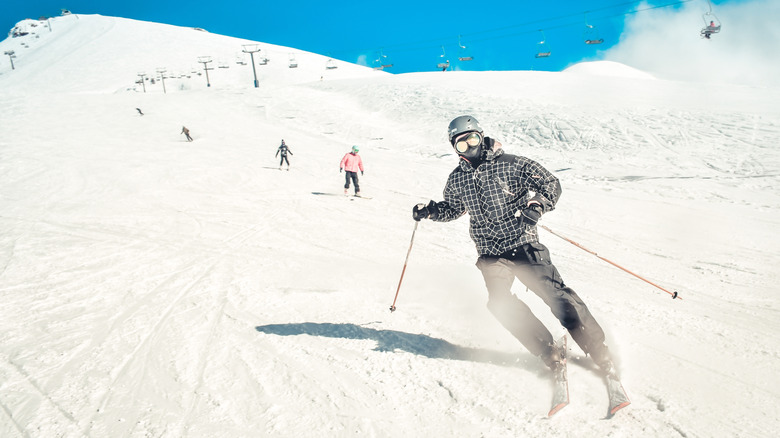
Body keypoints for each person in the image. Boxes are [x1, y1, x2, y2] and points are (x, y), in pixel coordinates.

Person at [412, 115, 619, 380]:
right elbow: (453, 208)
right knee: (500, 304)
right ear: (455, 148)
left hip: (523, 243)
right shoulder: (456, 180)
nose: (469, 147)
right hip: (490, 253)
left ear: (481, 136)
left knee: (557, 297)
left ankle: (600, 352)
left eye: (472, 139)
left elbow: (550, 183)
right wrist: (431, 210)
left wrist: (537, 205)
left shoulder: (511, 164)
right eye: (461, 145)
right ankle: (548, 352)